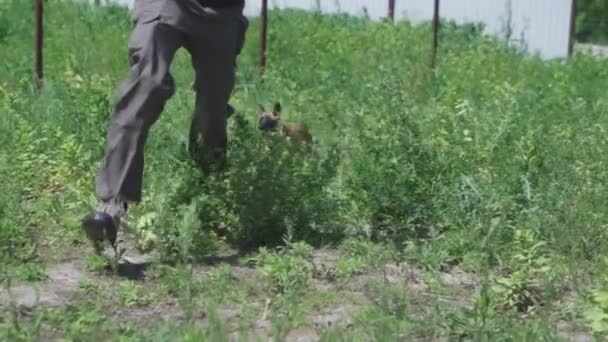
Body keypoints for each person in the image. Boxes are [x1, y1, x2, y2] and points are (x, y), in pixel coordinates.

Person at [82, 0, 248, 248]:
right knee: (147, 85)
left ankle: (210, 197)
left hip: (222, 10)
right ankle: (112, 204)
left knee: (212, 110)